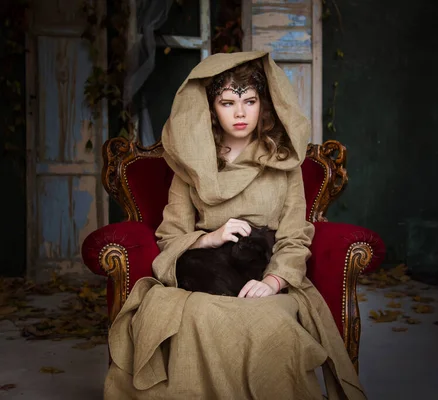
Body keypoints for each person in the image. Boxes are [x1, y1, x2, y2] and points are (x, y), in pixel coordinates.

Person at [104, 51, 366, 399]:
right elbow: (170, 236)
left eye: (250, 101)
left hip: (265, 274)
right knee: (193, 316)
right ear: (212, 108)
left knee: (272, 325)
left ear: (264, 104)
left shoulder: (284, 162)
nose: (240, 113)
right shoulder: (192, 167)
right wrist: (208, 238)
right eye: (227, 102)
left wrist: (273, 282)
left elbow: (295, 236)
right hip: (205, 277)